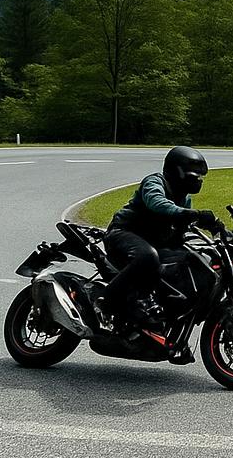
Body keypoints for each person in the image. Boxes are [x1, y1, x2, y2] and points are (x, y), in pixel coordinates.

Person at [91, 145, 223, 339]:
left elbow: (180, 230)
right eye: (193, 175)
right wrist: (192, 215)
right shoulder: (154, 182)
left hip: (152, 241)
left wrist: (215, 228)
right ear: (176, 170)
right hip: (123, 233)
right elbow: (157, 203)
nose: (197, 180)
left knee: (189, 260)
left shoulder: (183, 198)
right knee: (148, 257)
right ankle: (105, 301)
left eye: (199, 177)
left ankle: (160, 309)